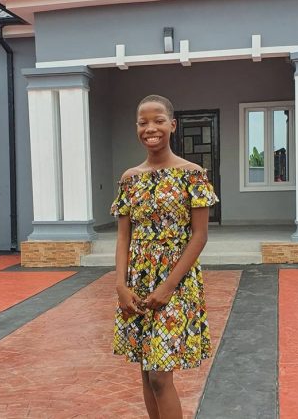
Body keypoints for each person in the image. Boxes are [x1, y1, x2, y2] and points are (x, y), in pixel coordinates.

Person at [110, 94, 219, 419]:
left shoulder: (192, 174)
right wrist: (120, 286)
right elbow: (123, 236)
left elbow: (199, 235)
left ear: (172, 125)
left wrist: (168, 287)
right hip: (138, 283)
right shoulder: (130, 178)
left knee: (159, 375)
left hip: (177, 283)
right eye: (142, 122)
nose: (150, 128)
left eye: (158, 120)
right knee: (147, 370)